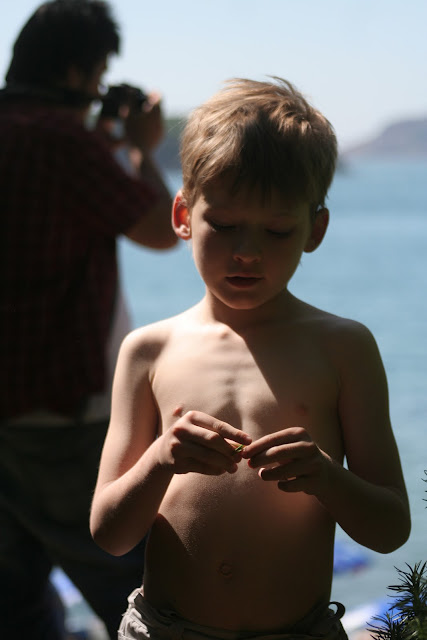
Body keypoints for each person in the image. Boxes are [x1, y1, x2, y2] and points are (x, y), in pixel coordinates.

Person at [89, 77, 411, 640]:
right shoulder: (148, 351)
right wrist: (162, 458)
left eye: (277, 230)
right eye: (225, 224)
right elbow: (109, 532)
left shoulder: (343, 348)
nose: (247, 251)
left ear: (316, 229)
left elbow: (390, 527)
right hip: (164, 630)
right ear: (184, 216)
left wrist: (326, 478)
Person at [0, 1, 177, 639]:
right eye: (100, 73)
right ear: (78, 72)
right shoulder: (64, 143)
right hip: (60, 414)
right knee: (140, 593)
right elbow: (163, 228)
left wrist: (105, 137)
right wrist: (139, 147)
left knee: (14, 606)